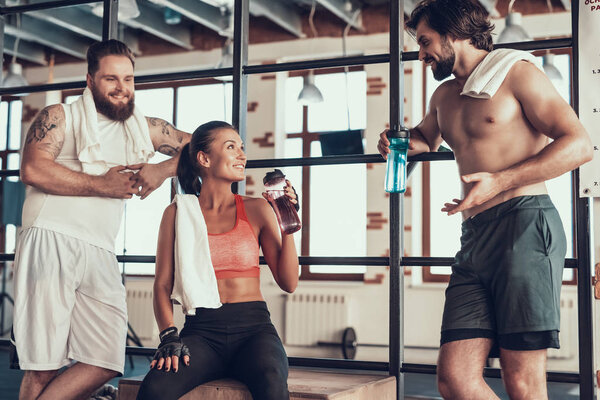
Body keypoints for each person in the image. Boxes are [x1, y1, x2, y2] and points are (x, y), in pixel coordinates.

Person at [377, 1, 592, 399]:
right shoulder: (443, 95)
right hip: (474, 236)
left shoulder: (518, 73)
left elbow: (579, 145)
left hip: (525, 225)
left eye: (425, 42)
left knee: (523, 380)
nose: (421, 53)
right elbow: (427, 137)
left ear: (454, 32)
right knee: (455, 378)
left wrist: (500, 181)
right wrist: (398, 140)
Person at [13, 39, 191, 400]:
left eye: (128, 79)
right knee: (44, 365)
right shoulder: (59, 116)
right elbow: (32, 168)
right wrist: (101, 184)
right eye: (111, 78)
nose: (121, 88)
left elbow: (208, 146)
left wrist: (161, 170)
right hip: (51, 238)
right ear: (90, 80)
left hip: (100, 248)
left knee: (107, 357)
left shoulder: (148, 127)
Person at [136, 121, 299, 400]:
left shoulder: (257, 209)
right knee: (155, 388)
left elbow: (289, 282)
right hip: (201, 333)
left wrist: (289, 220)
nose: (242, 155)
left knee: (272, 382)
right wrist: (169, 337)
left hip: (254, 331)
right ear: (204, 158)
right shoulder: (177, 214)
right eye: (231, 147)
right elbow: (162, 285)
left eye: (242, 148)